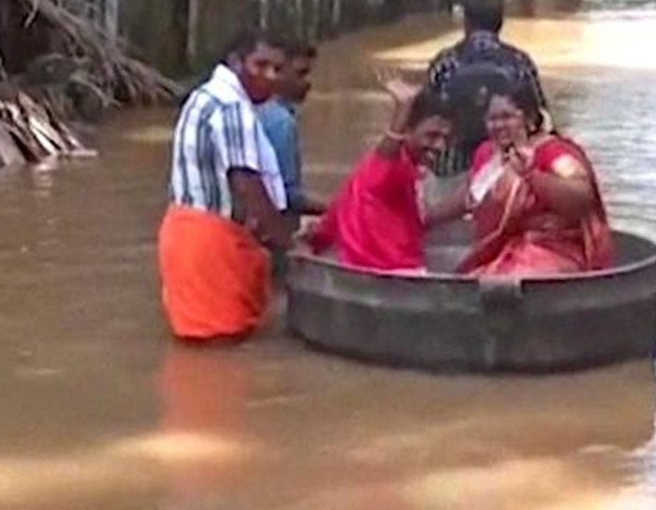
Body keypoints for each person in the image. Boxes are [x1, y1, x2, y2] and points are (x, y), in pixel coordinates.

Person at [157, 31, 293, 341]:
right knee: (221, 350)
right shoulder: (232, 108)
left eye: (277, 69)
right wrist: (290, 245)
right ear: (236, 62)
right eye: (261, 65)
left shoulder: (205, 96)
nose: (270, 77)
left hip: (185, 234)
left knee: (202, 347)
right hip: (210, 244)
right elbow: (247, 184)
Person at [438, 77, 613, 276]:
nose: (499, 125)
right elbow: (469, 196)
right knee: (476, 279)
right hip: (497, 251)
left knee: (503, 280)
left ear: (529, 118)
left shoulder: (553, 152)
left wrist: (532, 176)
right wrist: (426, 217)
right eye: (492, 119)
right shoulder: (487, 153)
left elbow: (581, 198)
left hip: (552, 251)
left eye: (507, 117)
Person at [303, 76, 454, 272]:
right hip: (395, 275)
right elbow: (386, 152)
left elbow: (337, 212)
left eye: (445, 138)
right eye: (431, 136)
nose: (440, 146)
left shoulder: (406, 171)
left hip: (394, 274)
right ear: (407, 131)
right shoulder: (387, 167)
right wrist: (403, 110)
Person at [427, 0, 548, 176]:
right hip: (505, 163)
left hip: (452, 164)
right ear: (500, 24)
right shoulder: (519, 60)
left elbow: (425, 114)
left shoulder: (445, 61)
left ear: (466, 23)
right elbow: (539, 116)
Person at [256, 39, 326, 279]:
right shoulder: (281, 122)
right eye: (301, 74)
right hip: (274, 235)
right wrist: (338, 208)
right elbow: (285, 195)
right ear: (278, 73)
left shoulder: (254, 111)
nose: (308, 83)